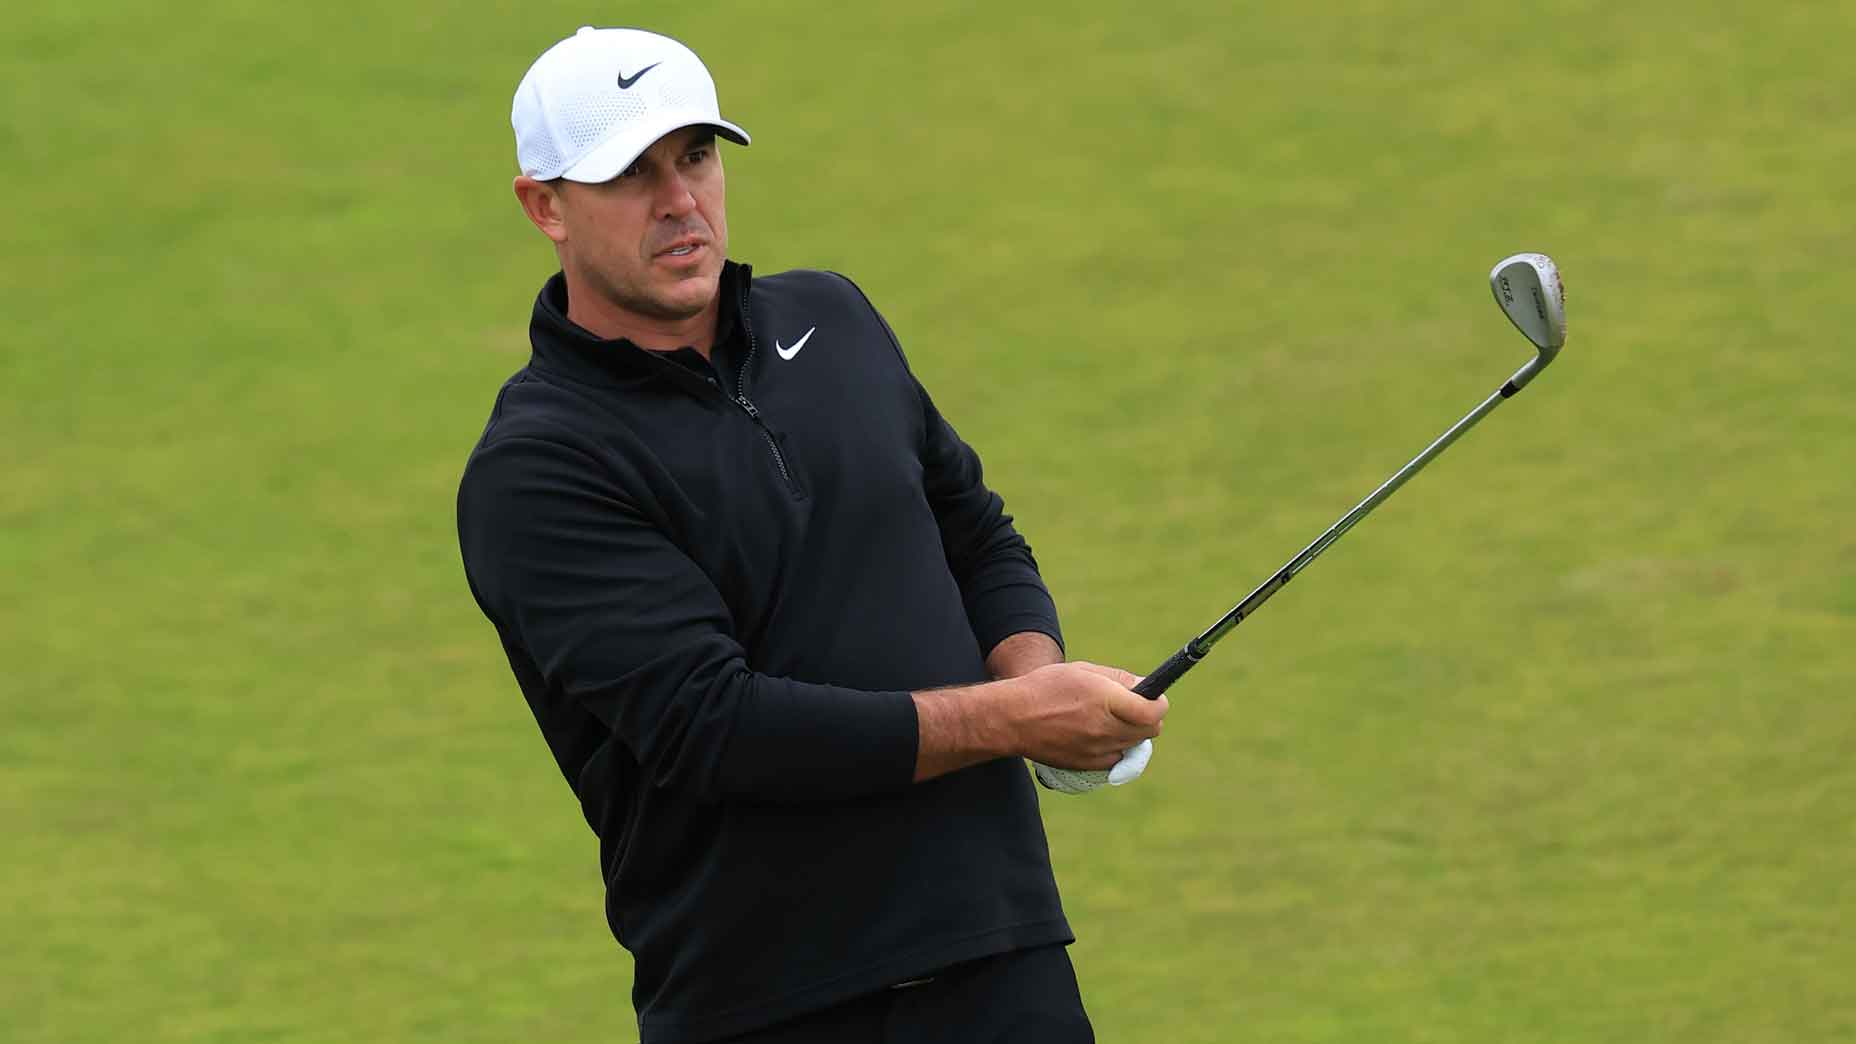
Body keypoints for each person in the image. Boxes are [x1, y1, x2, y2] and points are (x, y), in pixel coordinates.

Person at [456, 26, 1168, 1044]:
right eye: (629, 174)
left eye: (695, 156)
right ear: (545, 206)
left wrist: (1031, 671)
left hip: (999, 959)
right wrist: (1015, 721)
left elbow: (972, 530)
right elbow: (716, 726)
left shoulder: (830, 319)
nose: (678, 201)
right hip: (772, 1005)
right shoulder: (539, 466)